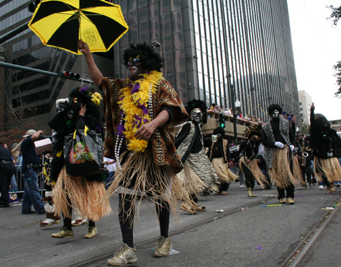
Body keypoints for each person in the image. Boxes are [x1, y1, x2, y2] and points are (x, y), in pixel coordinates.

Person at [81, 40, 189, 265]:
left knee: (160, 197)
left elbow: (172, 108)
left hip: (156, 152)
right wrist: (88, 55)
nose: (130, 65)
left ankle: (164, 239)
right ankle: (128, 248)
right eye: (128, 62)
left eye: (136, 62)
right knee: (126, 197)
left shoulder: (160, 84)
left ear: (147, 64)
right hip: (130, 152)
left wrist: (153, 124)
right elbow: (100, 81)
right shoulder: (123, 87)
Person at [51, 86, 110, 239]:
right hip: (67, 162)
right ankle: (67, 227)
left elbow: (83, 134)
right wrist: (65, 111)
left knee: (88, 193)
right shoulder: (68, 117)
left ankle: (92, 226)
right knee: (64, 193)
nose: (74, 104)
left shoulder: (91, 120)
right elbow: (53, 124)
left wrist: (81, 117)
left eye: (77, 102)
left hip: (86, 162)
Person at [175, 99, 218, 214]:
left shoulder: (197, 127)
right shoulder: (188, 125)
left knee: (197, 183)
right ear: (190, 115)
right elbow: (178, 140)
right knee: (191, 184)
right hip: (189, 160)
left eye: (199, 114)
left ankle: (194, 204)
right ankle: (186, 204)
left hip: (197, 158)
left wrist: (211, 141)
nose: (197, 116)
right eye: (195, 114)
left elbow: (199, 141)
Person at [261, 104, 302, 204]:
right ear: (270, 114)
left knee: (288, 173)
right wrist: (274, 143)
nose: (275, 113)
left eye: (276, 111)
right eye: (272, 112)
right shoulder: (265, 126)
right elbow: (264, 141)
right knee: (278, 174)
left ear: (279, 112)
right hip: (274, 153)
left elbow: (292, 136)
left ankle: (290, 196)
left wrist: (292, 145)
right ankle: (281, 196)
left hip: (286, 152)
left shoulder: (286, 123)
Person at [309, 103, 341, 194]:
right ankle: (328, 185)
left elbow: (337, 142)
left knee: (331, 170)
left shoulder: (331, 132)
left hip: (329, 154)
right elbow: (312, 122)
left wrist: (329, 140)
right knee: (322, 172)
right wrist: (312, 111)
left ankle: (332, 183)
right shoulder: (315, 133)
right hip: (319, 154)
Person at [237, 124, 269, 197]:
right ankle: (249, 190)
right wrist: (234, 159)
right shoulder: (245, 143)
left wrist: (251, 159)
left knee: (252, 176)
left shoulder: (256, 145)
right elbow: (239, 152)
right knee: (247, 175)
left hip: (252, 161)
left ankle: (251, 189)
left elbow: (255, 154)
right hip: (244, 160)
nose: (255, 138)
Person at [20, 129, 45, 214]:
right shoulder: (26, 142)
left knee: (29, 189)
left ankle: (26, 209)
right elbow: (34, 136)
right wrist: (39, 131)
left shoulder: (32, 146)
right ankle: (40, 208)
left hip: (31, 169)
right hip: (29, 169)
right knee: (33, 188)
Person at [207, 127, 237, 195]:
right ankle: (218, 189)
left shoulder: (225, 141)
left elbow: (228, 152)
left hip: (223, 161)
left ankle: (223, 189)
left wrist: (229, 161)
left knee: (225, 176)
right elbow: (209, 150)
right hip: (214, 161)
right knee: (217, 176)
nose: (218, 136)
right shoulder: (213, 141)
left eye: (219, 134)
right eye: (216, 134)